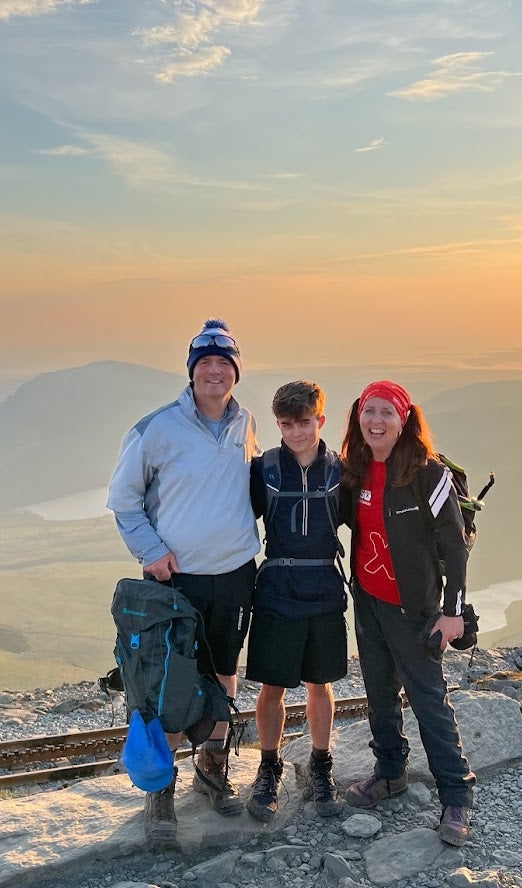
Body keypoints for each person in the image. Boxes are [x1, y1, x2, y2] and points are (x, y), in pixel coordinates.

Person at [107, 318, 260, 843]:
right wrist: (151, 552)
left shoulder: (247, 423)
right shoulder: (155, 429)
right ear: (192, 371)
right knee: (166, 683)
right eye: (206, 363)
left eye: (224, 364)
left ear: (235, 373)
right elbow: (123, 501)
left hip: (236, 574)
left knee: (222, 675)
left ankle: (211, 769)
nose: (215, 372)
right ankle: (160, 790)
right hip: (176, 582)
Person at [338, 379, 476, 846]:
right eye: (369, 411)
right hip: (370, 603)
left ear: (403, 421)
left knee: (427, 701)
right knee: (378, 693)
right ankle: (390, 773)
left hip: (413, 610)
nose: (376, 421)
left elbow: (454, 546)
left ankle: (456, 796)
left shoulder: (426, 474)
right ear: (359, 416)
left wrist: (453, 613)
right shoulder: (355, 469)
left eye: (386, 413)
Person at [244, 380, 348, 822]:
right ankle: (269, 767)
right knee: (272, 687)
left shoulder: (341, 472)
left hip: (324, 586)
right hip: (277, 590)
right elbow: (233, 521)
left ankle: (320, 766)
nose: (296, 433)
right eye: (286, 425)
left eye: (304, 423)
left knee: (320, 684)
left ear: (320, 420)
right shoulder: (263, 470)